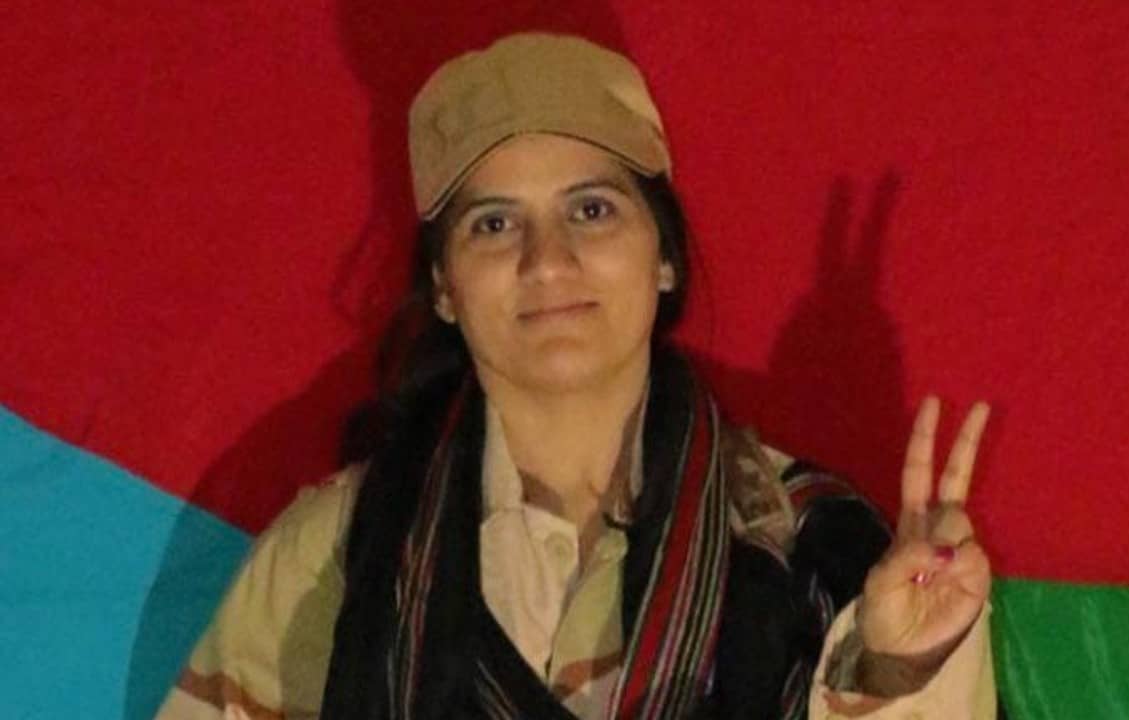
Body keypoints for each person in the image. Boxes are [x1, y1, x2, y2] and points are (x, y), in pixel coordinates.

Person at [157, 33, 997, 719]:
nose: (547, 262)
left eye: (591, 210)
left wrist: (900, 674)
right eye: (494, 224)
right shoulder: (338, 554)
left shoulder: (806, 544)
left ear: (664, 256)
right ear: (445, 286)